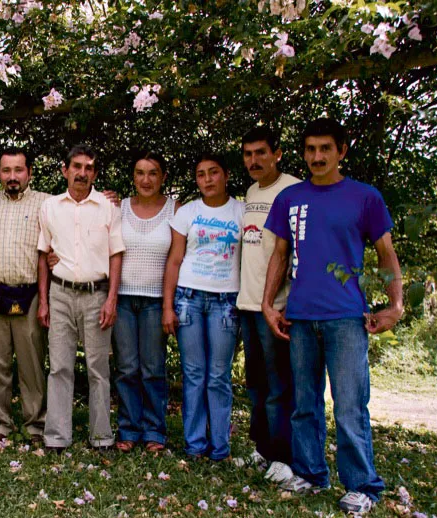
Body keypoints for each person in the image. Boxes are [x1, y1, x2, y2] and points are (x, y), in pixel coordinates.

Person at [262, 118, 403, 514]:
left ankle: (362, 486)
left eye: (325, 148)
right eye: (310, 149)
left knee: (349, 405)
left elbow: (386, 253)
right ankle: (309, 473)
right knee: (304, 402)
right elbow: (279, 254)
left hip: (346, 317)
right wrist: (267, 304)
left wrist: (395, 305)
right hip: (301, 317)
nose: (317, 156)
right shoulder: (290, 198)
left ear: (341, 150)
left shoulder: (365, 197)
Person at [37, 144, 125, 453]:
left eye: (89, 168)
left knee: (98, 368)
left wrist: (111, 299)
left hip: (96, 294)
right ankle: (57, 437)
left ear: (95, 174)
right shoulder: (50, 207)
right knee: (59, 366)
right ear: (65, 170)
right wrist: (44, 301)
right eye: (77, 166)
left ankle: (101, 436)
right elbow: (43, 253)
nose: (82, 173)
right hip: (59, 293)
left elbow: (116, 255)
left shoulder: (108, 207)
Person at [162, 153, 244, 461]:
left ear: (225, 175)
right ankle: (195, 445)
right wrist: (168, 306)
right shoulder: (187, 213)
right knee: (194, 373)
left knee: (218, 376)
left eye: (213, 173)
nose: (207, 179)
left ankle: (220, 447)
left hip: (226, 302)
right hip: (189, 299)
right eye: (200, 174)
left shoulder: (241, 211)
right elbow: (174, 260)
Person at [0, 148, 49, 445]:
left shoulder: (46, 203)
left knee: (31, 362)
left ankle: (35, 426)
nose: (13, 176)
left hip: (29, 290)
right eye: (7, 170)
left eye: (19, 170)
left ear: (29, 172)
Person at [237, 127, 300, 479]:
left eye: (261, 153)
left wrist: (286, 302)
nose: (253, 160)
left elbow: (293, 250)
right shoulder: (251, 191)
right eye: (248, 154)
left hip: (275, 307)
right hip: (248, 303)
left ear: (277, 153)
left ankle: (283, 457)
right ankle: (262, 449)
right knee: (256, 384)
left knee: (279, 386)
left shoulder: (292, 189)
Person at [113, 151, 178, 453]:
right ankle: (128, 428)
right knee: (127, 368)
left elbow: (177, 260)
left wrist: (169, 305)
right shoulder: (119, 207)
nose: (146, 179)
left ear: (163, 176)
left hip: (155, 301)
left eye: (153, 173)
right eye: (140, 172)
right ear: (133, 177)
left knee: (153, 368)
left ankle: (154, 431)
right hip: (123, 298)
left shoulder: (175, 210)